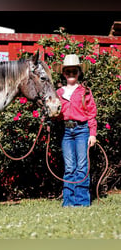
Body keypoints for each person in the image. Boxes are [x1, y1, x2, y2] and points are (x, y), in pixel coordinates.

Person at [56, 54, 97, 207]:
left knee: (81, 166)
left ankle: (82, 202)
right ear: (63, 73)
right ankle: (68, 201)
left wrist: (92, 133)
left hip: (82, 130)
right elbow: (55, 114)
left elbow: (91, 113)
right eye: (68, 71)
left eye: (74, 71)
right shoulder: (58, 93)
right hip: (66, 131)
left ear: (79, 73)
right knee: (69, 167)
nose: (71, 74)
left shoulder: (85, 91)